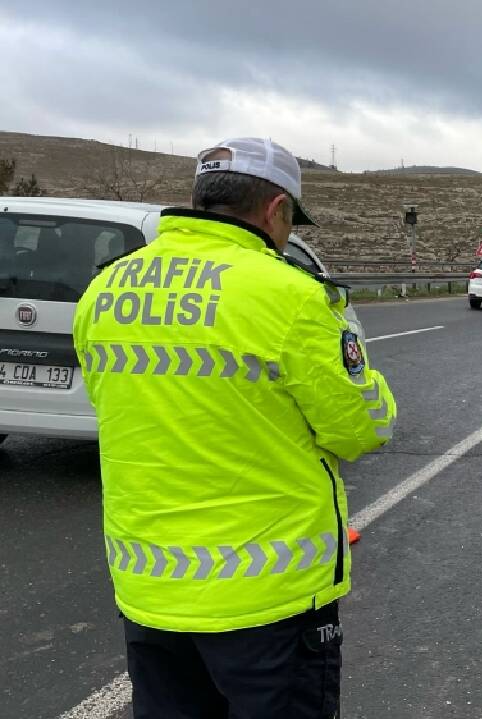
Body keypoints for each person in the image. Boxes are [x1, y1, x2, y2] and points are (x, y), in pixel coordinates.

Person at [72, 137, 397, 718]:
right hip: (266, 598)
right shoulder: (291, 295)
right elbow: (362, 428)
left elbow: (112, 402)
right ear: (275, 210)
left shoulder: (106, 288)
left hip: (148, 587)